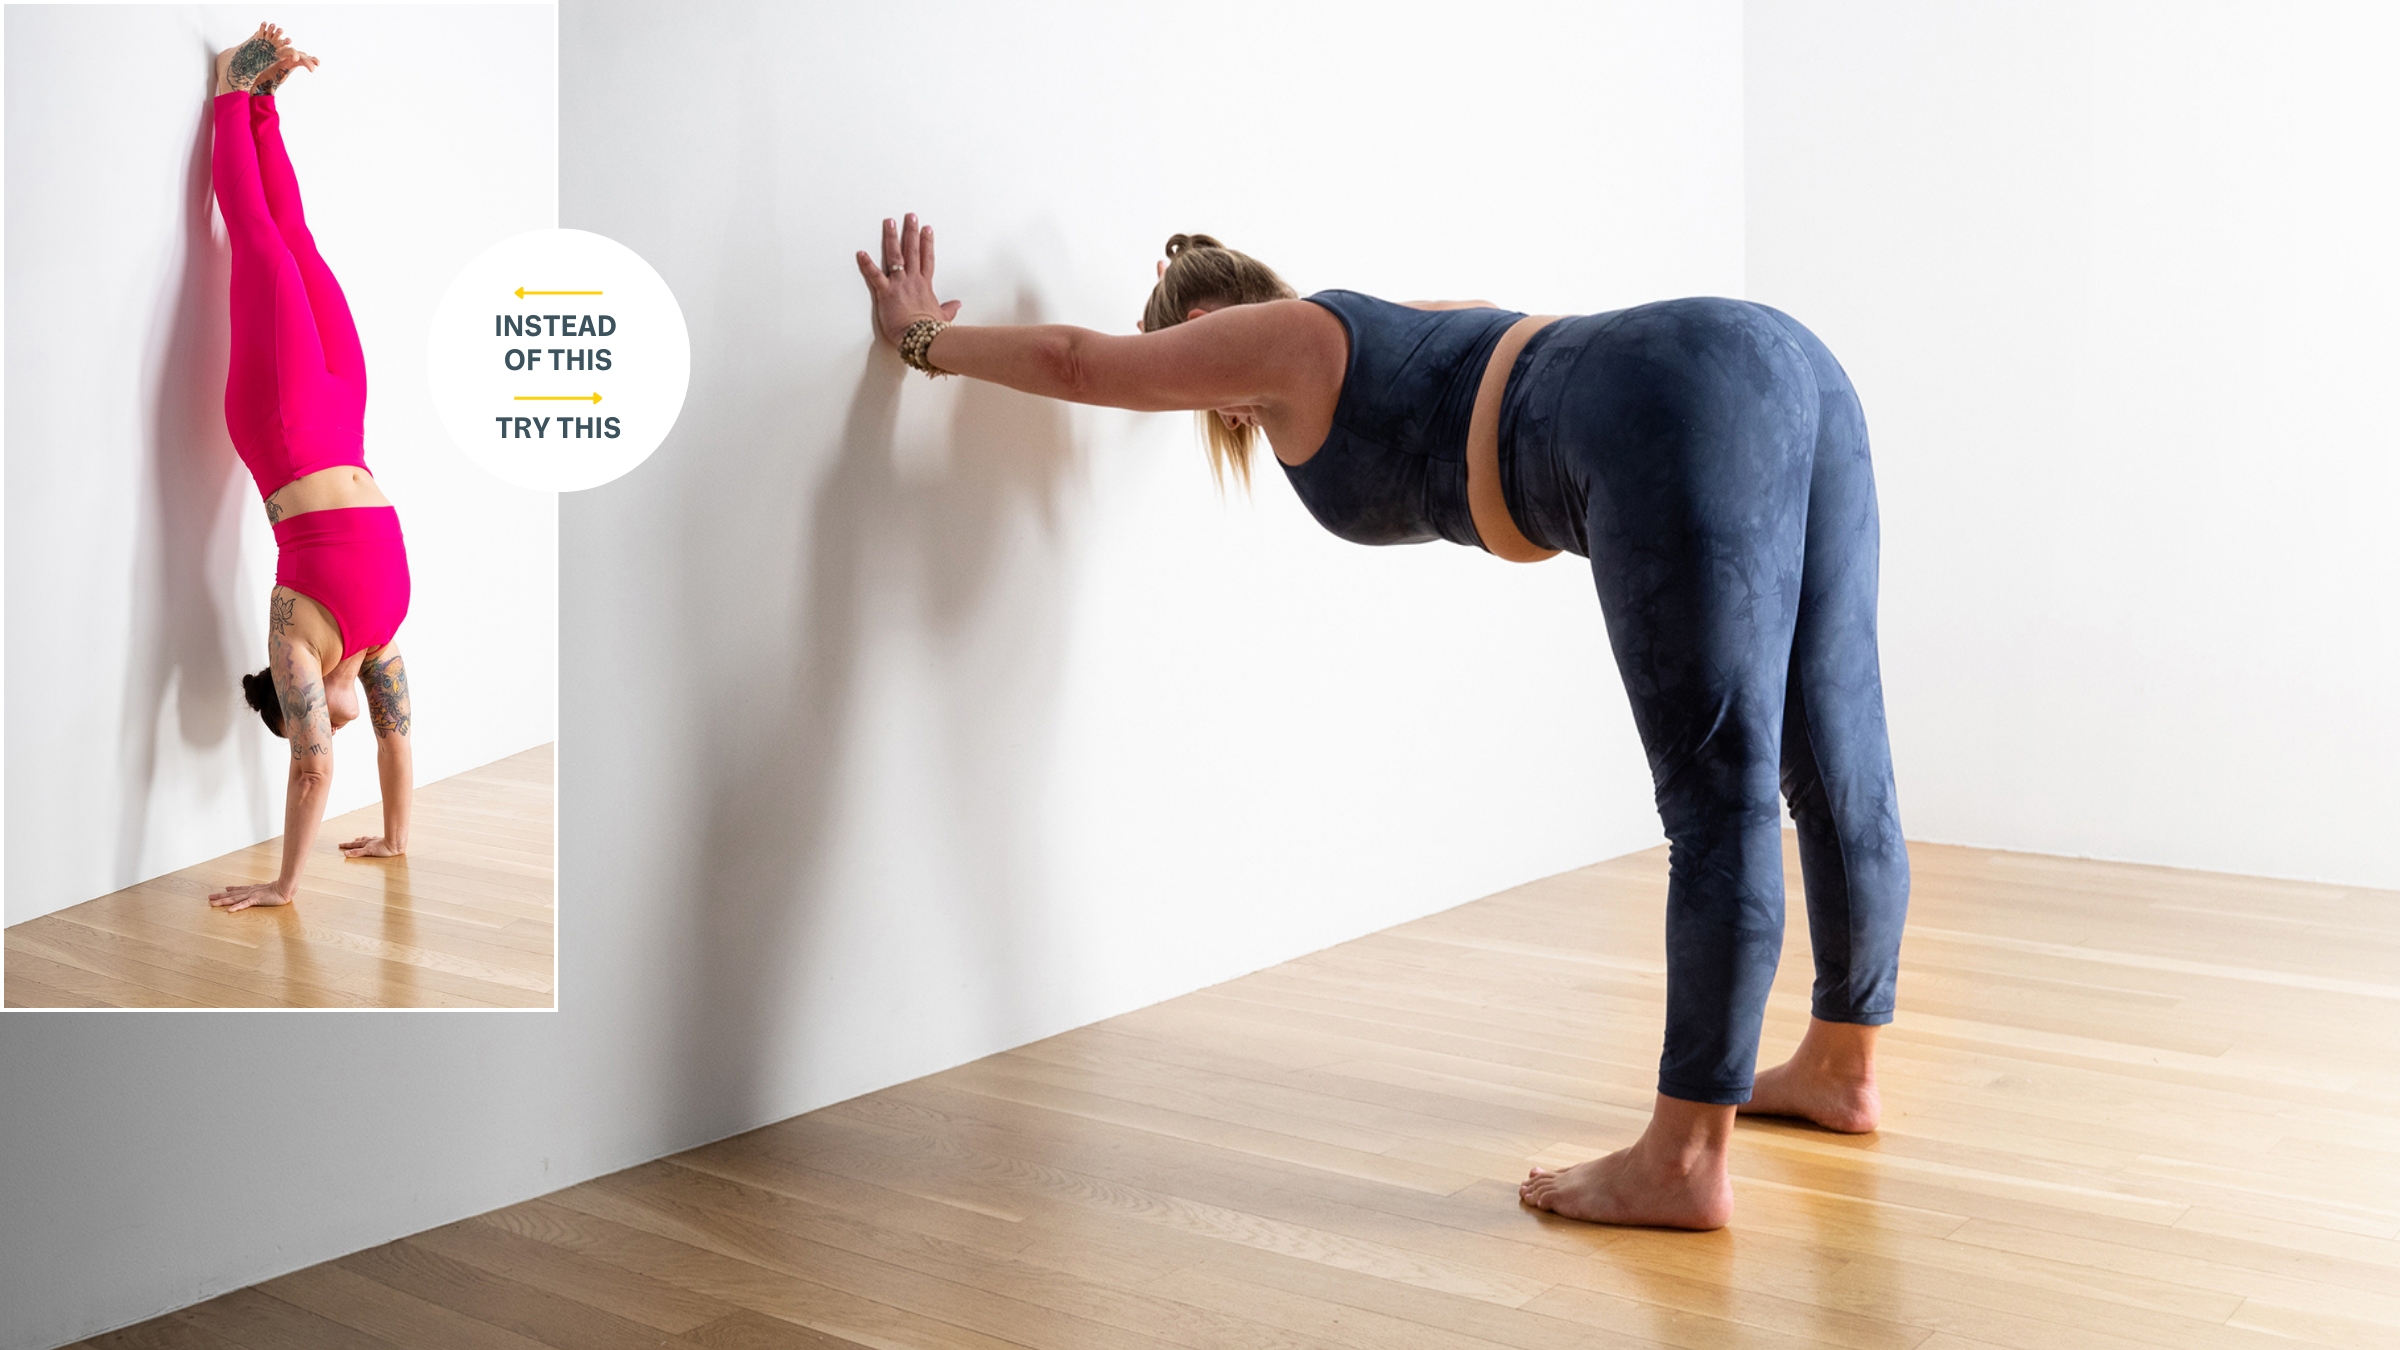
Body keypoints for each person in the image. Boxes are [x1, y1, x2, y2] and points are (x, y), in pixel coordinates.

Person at [854, 216, 1909, 1230]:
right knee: (1835, 755)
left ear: (1208, 322)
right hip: (1784, 359)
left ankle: (1682, 1163)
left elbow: (1080, 364)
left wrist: (922, 338)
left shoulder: (1290, 336)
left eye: (1184, 355)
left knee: (1715, 799)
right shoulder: (1389, 326)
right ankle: (1839, 1066)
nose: (1198, 384)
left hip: (1681, 395)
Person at [206, 25, 414, 914]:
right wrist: (398, 838)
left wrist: (284, 887)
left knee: (257, 243)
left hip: (286, 425)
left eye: (309, 720)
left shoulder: (295, 645)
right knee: (301, 239)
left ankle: (228, 90)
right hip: (346, 416)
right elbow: (398, 742)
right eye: (322, 718)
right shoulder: (373, 642)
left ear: (292, 708)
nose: (328, 723)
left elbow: (310, 771)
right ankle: (265, 106)